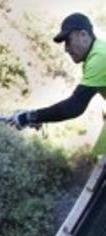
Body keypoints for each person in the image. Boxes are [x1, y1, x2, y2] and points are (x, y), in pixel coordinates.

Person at [9, 13, 106, 156]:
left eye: (68, 41)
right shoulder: (95, 54)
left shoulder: (99, 57)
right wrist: (40, 116)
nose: (66, 49)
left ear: (83, 35)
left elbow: (74, 106)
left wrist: (30, 117)